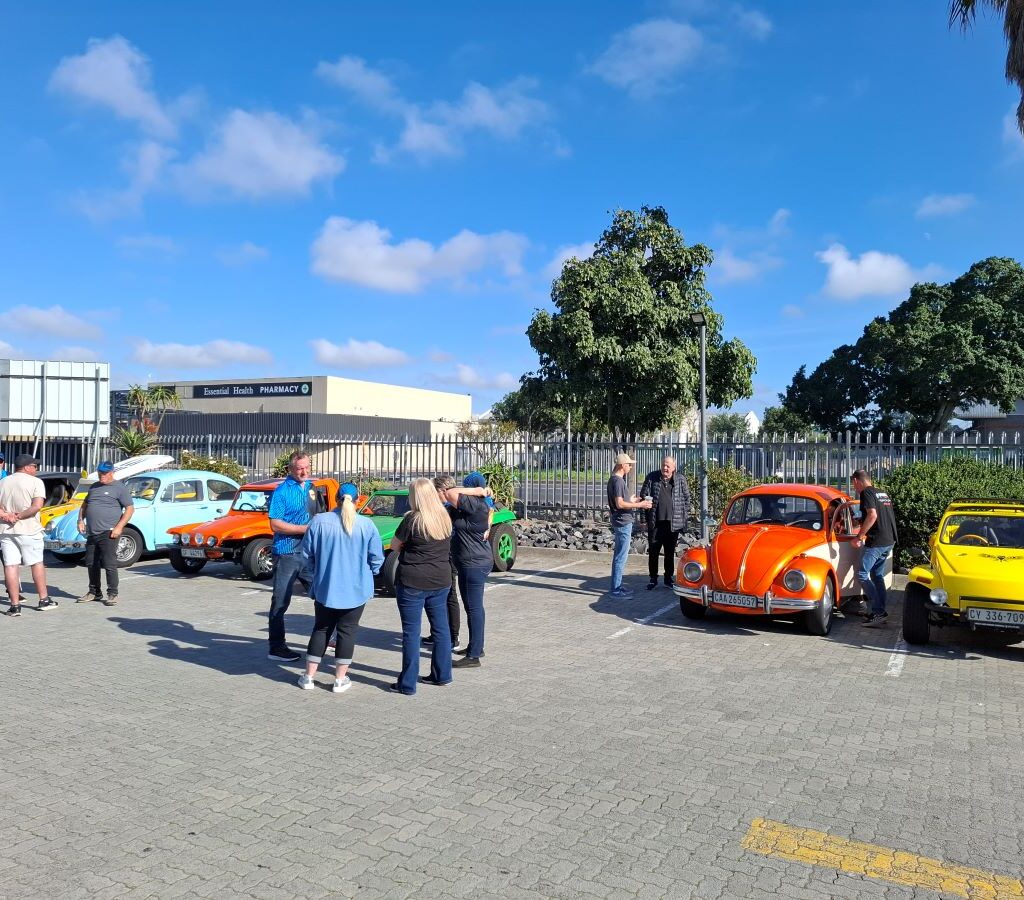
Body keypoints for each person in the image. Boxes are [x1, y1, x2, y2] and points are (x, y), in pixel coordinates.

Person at [297, 482, 384, 693]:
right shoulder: (366, 525)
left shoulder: (319, 522)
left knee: (321, 628)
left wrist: (314, 574)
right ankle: (340, 679)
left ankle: (308, 676)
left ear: (335, 498)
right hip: (356, 588)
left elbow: (306, 556)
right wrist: (369, 574)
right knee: (347, 632)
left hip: (326, 587)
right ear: (357, 500)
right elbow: (377, 558)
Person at [390, 477, 453, 695]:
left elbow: (394, 545)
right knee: (441, 629)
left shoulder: (412, 519)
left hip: (412, 581)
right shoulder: (444, 516)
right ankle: (442, 674)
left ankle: (407, 683)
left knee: (411, 632)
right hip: (441, 579)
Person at [435, 474, 493, 669]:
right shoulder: (474, 506)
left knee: (474, 608)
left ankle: (474, 655)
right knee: (473, 607)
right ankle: (475, 647)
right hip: (475, 560)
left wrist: (477, 491)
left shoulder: (474, 504)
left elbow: (450, 492)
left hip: (473, 563)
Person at [266, 451, 318, 661]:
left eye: (307, 467)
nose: (304, 472)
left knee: (322, 595)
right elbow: (275, 523)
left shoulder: (311, 487)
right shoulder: (281, 492)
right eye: (299, 469)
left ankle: (329, 638)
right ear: (290, 469)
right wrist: (303, 529)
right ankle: (277, 647)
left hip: (309, 552)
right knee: (280, 602)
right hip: (287, 553)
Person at [0, 454, 55, 615]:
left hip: (5, 530)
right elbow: (36, 506)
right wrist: (18, 516)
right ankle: (44, 599)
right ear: (26, 467)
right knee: (36, 563)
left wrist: (6, 516)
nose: (36, 469)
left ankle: (15, 605)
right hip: (28, 529)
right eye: (34, 466)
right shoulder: (36, 482)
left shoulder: (3, 482)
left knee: (10, 565)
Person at [77, 460, 134, 606]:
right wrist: (80, 520)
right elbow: (85, 505)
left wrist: (119, 527)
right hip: (92, 532)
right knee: (91, 563)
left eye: (105, 473)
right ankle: (94, 592)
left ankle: (112, 594)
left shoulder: (119, 488)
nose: (102, 476)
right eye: (100, 473)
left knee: (109, 563)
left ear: (112, 472)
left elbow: (129, 509)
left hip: (109, 532)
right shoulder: (94, 487)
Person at [851, 469, 898, 627]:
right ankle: (878, 611)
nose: (855, 489)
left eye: (853, 485)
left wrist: (859, 536)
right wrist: (859, 520)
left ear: (858, 481)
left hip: (876, 541)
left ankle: (878, 612)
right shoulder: (882, 493)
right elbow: (879, 515)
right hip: (889, 540)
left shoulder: (867, 493)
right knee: (877, 575)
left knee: (862, 575)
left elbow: (873, 515)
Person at [640, 456, 691, 590]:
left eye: (668, 466)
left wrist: (684, 517)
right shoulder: (652, 477)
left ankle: (668, 578)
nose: (665, 468)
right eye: (663, 465)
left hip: (672, 523)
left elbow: (687, 499)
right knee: (653, 551)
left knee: (669, 552)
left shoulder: (680, 479)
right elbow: (643, 498)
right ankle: (653, 578)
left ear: (674, 467)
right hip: (656, 522)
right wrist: (643, 520)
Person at [606, 452, 652, 599]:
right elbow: (619, 504)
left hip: (620, 520)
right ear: (622, 465)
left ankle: (617, 586)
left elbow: (620, 500)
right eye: (629, 465)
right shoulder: (618, 481)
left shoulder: (614, 480)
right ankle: (615, 590)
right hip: (623, 521)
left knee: (619, 555)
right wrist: (639, 504)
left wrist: (631, 499)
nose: (631, 467)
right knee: (621, 557)